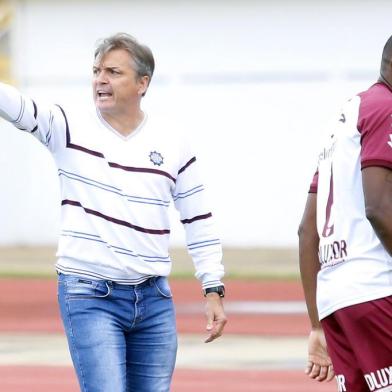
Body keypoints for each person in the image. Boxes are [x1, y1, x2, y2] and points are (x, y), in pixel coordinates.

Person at [0, 33, 227, 392]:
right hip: (89, 294)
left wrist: (212, 286)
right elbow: (15, 104)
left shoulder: (172, 141)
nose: (100, 80)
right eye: (96, 71)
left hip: (154, 299)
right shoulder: (66, 126)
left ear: (142, 83)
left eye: (113, 72)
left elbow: (198, 218)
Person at [298, 35, 392, 392]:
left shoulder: (345, 118)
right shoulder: (386, 108)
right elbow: (379, 208)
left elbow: (307, 231)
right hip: (377, 287)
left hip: (336, 300)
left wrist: (317, 325)